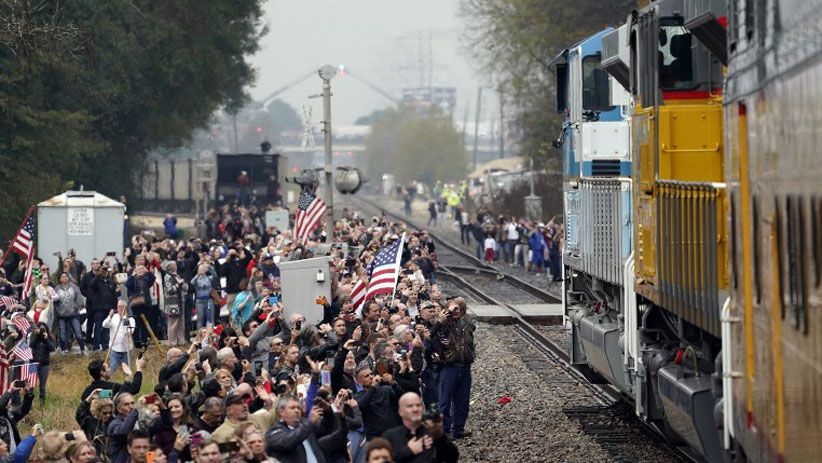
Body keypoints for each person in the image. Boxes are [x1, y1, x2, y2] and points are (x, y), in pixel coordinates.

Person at [431, 297, 475, 439]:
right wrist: (442, 319)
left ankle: (458, 429)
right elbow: (430, 335)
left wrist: (459, 308)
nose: (456, 311)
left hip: (465, 366)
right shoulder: (443, 325)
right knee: (445, 401)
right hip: (449, 367)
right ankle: (444, 431)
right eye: (452, 308)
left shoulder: (466, 323)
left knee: (463, 401)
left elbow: (472, 325)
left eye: (458, 308)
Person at [264, 395, 325, 463]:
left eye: (298, 408)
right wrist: (310, 423)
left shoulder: (306, 425)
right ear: (282, 412)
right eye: (292, 408)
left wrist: (327, 411)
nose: (297, 411)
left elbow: (327, 429)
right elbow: (288, 442)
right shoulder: (273, 432)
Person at [79, 356, 143, 403]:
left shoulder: (88, 391)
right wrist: (138, 369)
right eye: (108, 367)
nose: (110, 369)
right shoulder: (112, 387)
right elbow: (134, 389)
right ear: (102, 372)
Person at [54, 272, 86, 353]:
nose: (64, 278)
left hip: (73, 314)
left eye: (66, 276)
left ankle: (82, 349)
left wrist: (77, 307)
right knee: (62, 333)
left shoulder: (74, 287)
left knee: (78, 332)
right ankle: (63, 350)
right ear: (60, 279)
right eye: (62, 276)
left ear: (68, 278)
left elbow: (79, 298)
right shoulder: (57, 289)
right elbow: (54, 301)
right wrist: (57, 310)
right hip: (61, 315)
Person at [102, 300, 137, 374]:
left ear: (125, 308)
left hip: (126, 349)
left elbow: (130, 332)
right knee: (112, 369)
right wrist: (109, 316)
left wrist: (124, 318)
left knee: (126, 371)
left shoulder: (131, 319)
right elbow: (104, 325)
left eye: (122, 306)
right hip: (114, 348)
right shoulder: (113, 317)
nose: (120, 308)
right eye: (118, 306)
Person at [125, 265, 155, 348]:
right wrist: (132, 275)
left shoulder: (146, 279)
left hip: (146, 304)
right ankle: (137, 341)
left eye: (142, 269)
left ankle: (144, 341)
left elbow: (153, 279)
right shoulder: (133, 279)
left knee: (145, 323)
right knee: (137, 323)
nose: (140, 270)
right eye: (138, 269)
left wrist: (147, 271)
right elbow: (127, 284)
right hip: (136, 305)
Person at [0, 382, 33, 454]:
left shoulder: (7, 415)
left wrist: (28, 393)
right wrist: (10, 390)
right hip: (4, 457)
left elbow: (23, 410)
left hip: (14, 455)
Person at [162, 261, 188, 346]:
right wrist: (178, 284)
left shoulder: (177, 276)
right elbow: (169, 290)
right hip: (172, 304)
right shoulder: (167, 277)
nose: (176, 266)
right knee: (173, 323)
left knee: (180, 323)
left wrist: (183, 284)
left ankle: (181, 341)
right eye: (175, 265)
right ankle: (172, 342)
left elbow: (183, 288)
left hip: (180, 302)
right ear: (170, 267)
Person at [107, 393, 139, 463]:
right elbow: (124, 432)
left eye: (132, 403)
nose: (131, 407)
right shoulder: (114, 424)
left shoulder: (139, 421)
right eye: (126, 404)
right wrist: (135, 411)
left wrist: (162, 408)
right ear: (119, 409)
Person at [30, 322, 55, 404]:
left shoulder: (49, 337)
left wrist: (46, 338)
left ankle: (42, 404)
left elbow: (52, 348)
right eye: (40, 329)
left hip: (44, 364)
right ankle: (28, 402)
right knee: (31, 384)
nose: (41, 331)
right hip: (33, 363)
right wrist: (36, 335)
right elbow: (31, 344)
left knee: (42, 385)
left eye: (43, 329)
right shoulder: (34, 336)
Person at [191, 264, 215, 329]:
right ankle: (199, 333)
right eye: (200, 269)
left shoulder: (208, 278)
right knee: (200, 318)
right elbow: (192, 282)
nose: (202, 270)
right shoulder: (196, 279)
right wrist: (197, 275)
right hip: (199, 301)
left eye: (203, 268)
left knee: (210, 318)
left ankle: (211, 332)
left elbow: (215, 275)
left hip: (208, 300)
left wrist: (210, 267)